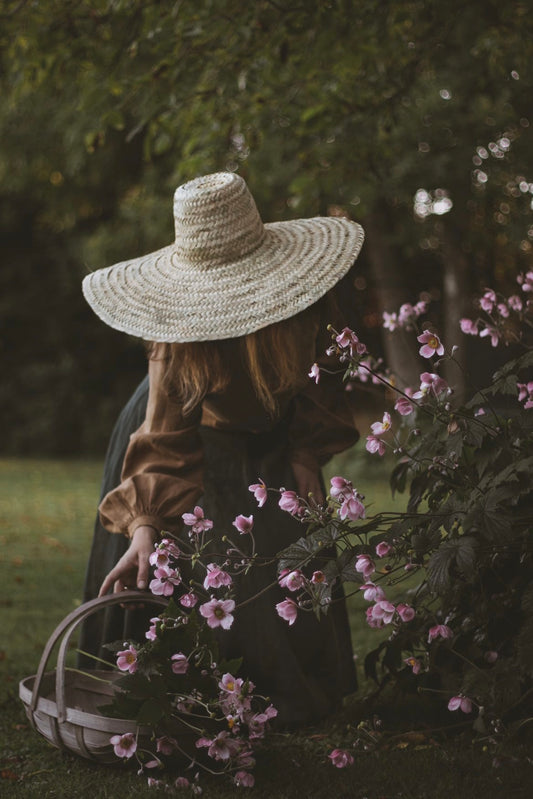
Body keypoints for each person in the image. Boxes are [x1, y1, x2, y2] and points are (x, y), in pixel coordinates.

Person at [80, 171, 365, 725]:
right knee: (212, 564)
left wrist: (306, 456)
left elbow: (324, 375)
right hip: (186, 433)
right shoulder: (178, 334)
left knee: (287, 556)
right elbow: (164, 439)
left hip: (276, 439)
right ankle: (190, 690)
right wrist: (144, 530)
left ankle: (294, 681)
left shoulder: (307, 298)